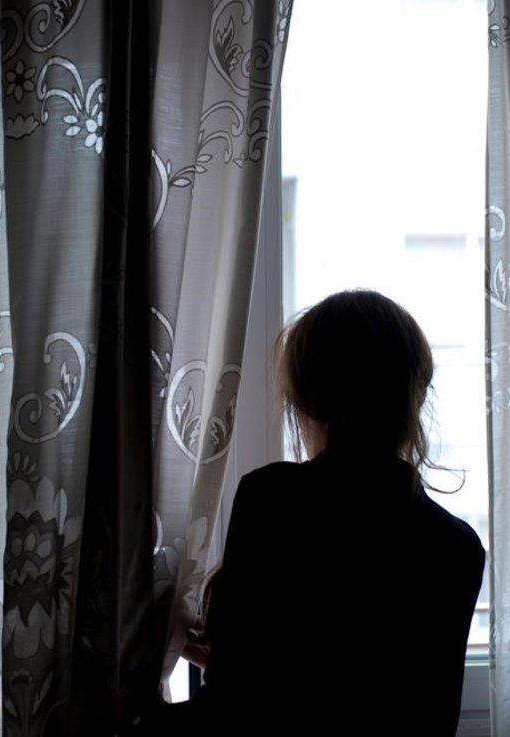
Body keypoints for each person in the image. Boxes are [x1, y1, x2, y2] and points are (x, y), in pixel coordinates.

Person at [142, 289, 486, 736]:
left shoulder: (274, 499)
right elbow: (411, 707)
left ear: (306, 400)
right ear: (413, 398)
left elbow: (236, 712)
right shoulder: (457, 546)